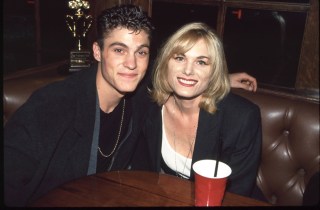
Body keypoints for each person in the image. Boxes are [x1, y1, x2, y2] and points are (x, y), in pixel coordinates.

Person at [4, 5, 257, 207]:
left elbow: (182, 75)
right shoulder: (50, 106)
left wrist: (220, 79)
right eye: (118, 50)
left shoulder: (139, 97)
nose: (131, 63)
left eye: (141, 52)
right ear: (97, 51)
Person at [130, 22, 262, 198]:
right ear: (165, 63)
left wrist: (220, 81)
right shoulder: (149, 103)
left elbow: (236, 195)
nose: (188, 70)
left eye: (201, 62)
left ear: (214, 71)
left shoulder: (242, 118)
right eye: (179, 58)